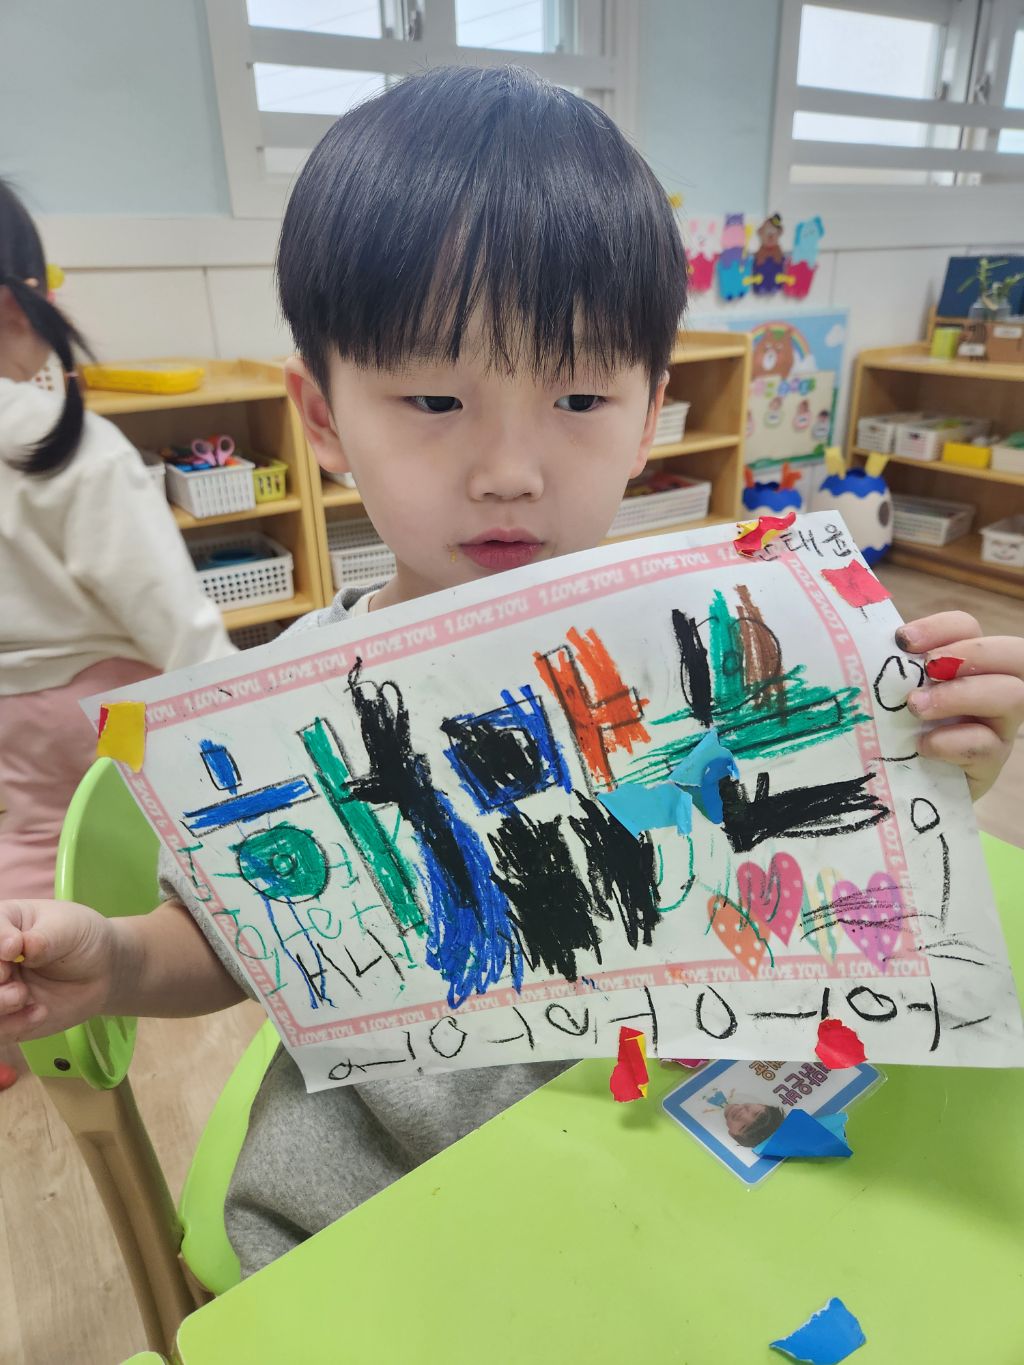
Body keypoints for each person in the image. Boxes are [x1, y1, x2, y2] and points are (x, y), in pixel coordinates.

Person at [0, 67, 1022, 1275]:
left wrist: (933, 756)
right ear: (321, 419)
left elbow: (828, 871)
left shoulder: (731, 649)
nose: (508, 470)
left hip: (676, 1159)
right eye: (434, 399)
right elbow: (230, 940)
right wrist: (120, 962)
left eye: (580, 396)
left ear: (651, 414)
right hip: (381, 1205)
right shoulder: (293, 707)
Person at [0, 179, 233, 901]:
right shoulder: (67, 440)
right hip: (107, 707)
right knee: (152, 833)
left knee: (42, 840)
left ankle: (27, 946)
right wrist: (234, 703)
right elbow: (169, 609)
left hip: (15, 709)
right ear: (17, 304)